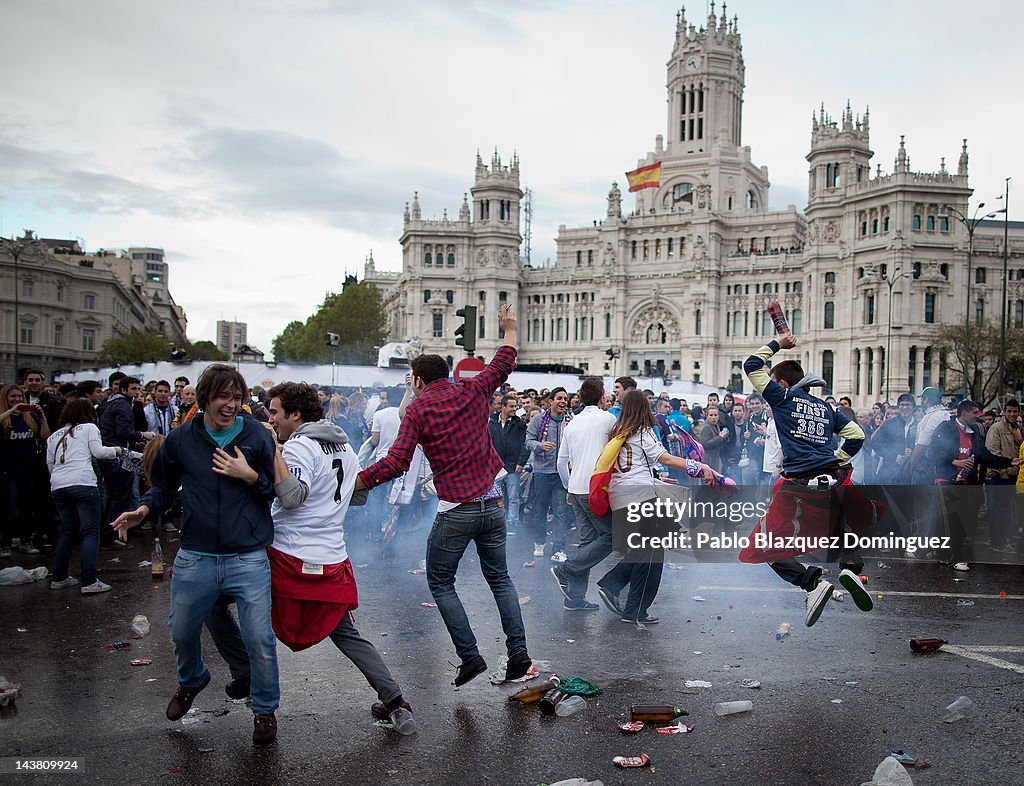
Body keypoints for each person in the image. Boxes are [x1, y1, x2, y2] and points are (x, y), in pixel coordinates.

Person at [204, 382, 418, 734]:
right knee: (347, 634)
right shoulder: (345, 448)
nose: (272, 419)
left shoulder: (299, 447)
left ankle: (244, 674)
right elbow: (354, 498)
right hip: (331, 559)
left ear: (295, 414)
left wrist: (271, 454)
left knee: (214, 600)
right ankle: (395, 701)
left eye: (274, 413)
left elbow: (292, 498)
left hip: (286, 558)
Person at [355, 304, 532, 688]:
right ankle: (518, 652)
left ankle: (470, 656)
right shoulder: (472, 389)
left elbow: (397, 462)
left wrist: (359, 481)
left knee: (440, 581)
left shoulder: (418, 411)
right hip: (492, 503)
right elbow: (504, 362)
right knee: (499, 578)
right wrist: (510, 329)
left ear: (417, 380)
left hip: (456, 509)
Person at [111, 364, 281, 745]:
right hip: (196, 555)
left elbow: (275, 491)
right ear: (205, 398)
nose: (231, 405)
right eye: (224, 397)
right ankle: (193, 680)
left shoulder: (256, 435)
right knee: (181, 631)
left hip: (247, 555)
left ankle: (265, 710)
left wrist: (250, 476)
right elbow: (163, 486)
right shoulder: (182, 438)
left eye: (237, 398)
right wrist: (143, 510)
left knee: (259, 638)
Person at [743, 332, 872, 628]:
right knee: (837, 528)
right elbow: (857, 436)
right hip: (829, 482)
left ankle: (811, 583)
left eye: (773, 381)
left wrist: (778, 344)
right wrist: (835, 460)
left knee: (763, 545)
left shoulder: (782, 397)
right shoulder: (828, 408)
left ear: (782, 383)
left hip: (798, 484)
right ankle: (851, 570)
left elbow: (752, 365)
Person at [597, 390, 716, 624]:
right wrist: (699, 467)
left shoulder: (616, 432)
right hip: (640, 497)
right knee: (652, 553)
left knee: (645, 550)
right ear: (643, 409)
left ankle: (615, 587)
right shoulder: (642, 432)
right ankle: (635, 609)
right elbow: (667, 459)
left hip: (620, 497)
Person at [551, 377, 617, 610]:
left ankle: (575, 598)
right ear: (601, 398)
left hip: (577, 487)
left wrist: (569, 486)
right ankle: (566, 569)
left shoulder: (572, 423)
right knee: (612, 537)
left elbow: (561, 462)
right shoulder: (608, 419)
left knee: (587, 541)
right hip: (595, 488)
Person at [932, 400, 1019, 571]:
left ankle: (944, 553)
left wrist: (1008, 461)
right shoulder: (946, 428)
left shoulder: (974, 434)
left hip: (966, 484)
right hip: (946, 481)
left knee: (964, 518)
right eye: (974, 412)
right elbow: (933, 451)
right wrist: (954, 461)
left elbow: (984, 456)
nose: (977, 416)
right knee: (951, 519)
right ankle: (954, 556)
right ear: (964, 413)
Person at [46, 399, 122, 593]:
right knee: (91, 532)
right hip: (83, 482)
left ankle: (59, 576)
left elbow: (50, 465)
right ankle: (88, 580)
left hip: (58, 485)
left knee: (68, 531)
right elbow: (98, 452)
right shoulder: (89, 428)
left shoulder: (54, 436)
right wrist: (116, 450)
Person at [0, 384, 52, 555]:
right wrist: (11, 411)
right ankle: (5, 543)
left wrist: (42, 417)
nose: (17, 400)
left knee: (27, 505)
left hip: (29, 468)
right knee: (8, 506)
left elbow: (45, 436)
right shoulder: (5, 418)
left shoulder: (29, 417)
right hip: (8, 469)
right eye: (12, 397)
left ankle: (25, 540)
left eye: (19, 397)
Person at [525, 387, 573, 561]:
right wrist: (540, 446)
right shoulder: (538, 420)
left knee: (561, 512)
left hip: (561, 474)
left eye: (565, 398)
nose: (563, 401)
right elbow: (528, 442)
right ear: (551, 401)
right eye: (559, 398)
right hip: (542, 473)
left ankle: (558, 549)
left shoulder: (570, 421)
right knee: (540, 510)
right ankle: (539, 542)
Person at [984, 399, 1023, 554]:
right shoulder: (996, 428)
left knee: (1006, 511)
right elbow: (993, 452)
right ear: (1004, 412)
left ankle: (1002, 540)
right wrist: (1003, 473)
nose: (1012, 414)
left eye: (1015, 411)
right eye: (1009, 411)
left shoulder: (1017, 428)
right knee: (998, 511)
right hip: (999, 477)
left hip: (1013, 476)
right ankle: (997, 543)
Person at [489, 394, 528, 536]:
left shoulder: (519, 424)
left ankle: (512, 523)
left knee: (513, 497)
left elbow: (525, 444)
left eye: (516, 406)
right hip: (495, 468)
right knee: (495, 497)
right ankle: (497, 522)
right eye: (511, 406)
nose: (515, 409)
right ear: (503, 407)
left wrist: (520, 462)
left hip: (512, 466)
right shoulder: (491, 422)